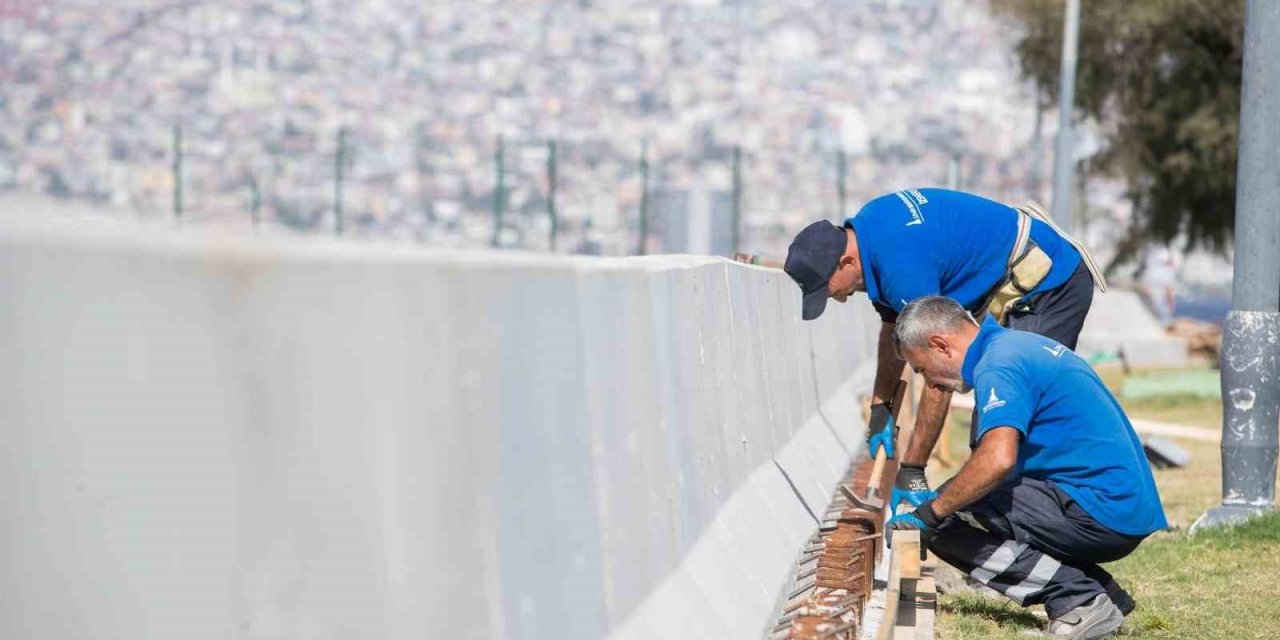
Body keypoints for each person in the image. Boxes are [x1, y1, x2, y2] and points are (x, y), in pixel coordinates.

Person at [782, 189, 1107, 511]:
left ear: (847, 262)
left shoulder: (900, 267)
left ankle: (1063, 513)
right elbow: (894, 327)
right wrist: (881, 407)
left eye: (829, 291)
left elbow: (941, 370)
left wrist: (913, 468)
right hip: (1015, 285)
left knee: (1004, 423)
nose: (838, 299)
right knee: (993, 429)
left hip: (1050, 284)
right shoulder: (871, 234)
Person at [884, 296, 1166, 639]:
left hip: (1104, 512)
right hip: (1119, 505)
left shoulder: (998, 365)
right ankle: (1100, 589)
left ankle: (1078, 601)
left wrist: (928, 515)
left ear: (940, 345)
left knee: (944, 518)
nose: (931, 384)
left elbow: (997, 459)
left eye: (922, 370)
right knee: (957, 500)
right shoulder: (1012, 346)